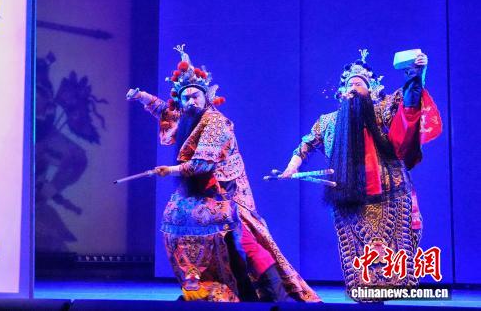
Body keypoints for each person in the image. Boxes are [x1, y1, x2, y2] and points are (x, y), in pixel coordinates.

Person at [127, 45, 320, 303]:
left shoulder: (217, 122)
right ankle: (211, 288)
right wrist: (141, 96)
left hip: (228, 193)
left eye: (196, 96)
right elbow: (165, 112)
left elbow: (202, 164)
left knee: (246, 241)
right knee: (178, 220)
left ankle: (278, 296)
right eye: (186, 98)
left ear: (206, 98)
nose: (191, 101)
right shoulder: (187, 116)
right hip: (201, 192)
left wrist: (169, 170)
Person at [280, 49, 442, 301]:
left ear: (371, 90)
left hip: (391, 196)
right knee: (362, 272)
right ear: (342, 93)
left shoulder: (382, 110)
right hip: (350, 200)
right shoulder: (328, 121)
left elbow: (410, 106)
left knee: (392, 268)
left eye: (359, 84)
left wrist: (416, 75)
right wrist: (292, 167)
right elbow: (306, 144)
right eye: (350, 85)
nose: (354, 88)